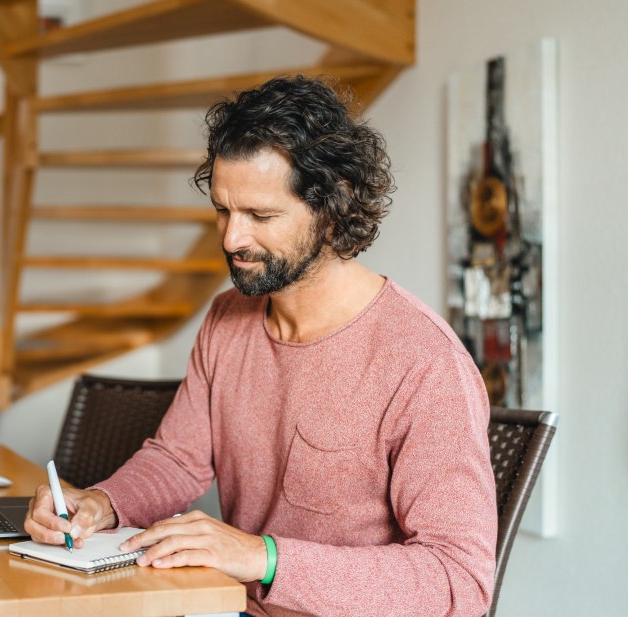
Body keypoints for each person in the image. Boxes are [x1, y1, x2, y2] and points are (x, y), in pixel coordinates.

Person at [25, 76, 498, 617]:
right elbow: (178, 459)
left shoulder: (423, 361)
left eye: (261, 216)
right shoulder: (228, 317)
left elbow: (459, 581)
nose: (231, 239)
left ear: (334, 205)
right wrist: (104, 504)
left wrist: (263, 557)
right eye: (223, 210)